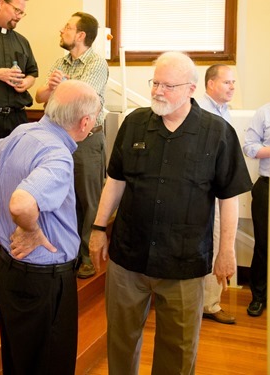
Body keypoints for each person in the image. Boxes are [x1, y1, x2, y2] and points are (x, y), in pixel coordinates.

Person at [89, 52, 252, 375]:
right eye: (155, 83)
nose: (158, 91)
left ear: (191, 88)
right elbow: (115, 181)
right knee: (120, 342)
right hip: (128, 258)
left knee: (177, 352)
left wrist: (226, 251)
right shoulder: (134, 124)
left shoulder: (217, 132)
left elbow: (228, 197)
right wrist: (97, 228)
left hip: (184, 263)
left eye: (168, 85)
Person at [0, 80, 100, 375]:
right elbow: (21, 204)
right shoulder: (57, 156)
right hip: (42, 282)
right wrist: (31, 229)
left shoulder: (25, 131)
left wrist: (8, 190)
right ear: (85, 123)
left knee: (18, 361)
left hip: (9, 270)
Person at [35, 11, 108, 279]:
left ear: (80, 35)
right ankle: (68, 251)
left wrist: (59, 86)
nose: (61, 30)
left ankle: (87, 256)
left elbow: (81, 98)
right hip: (58, 140)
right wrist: (50, 88)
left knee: (89, 200)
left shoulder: (97, 63)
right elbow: (40, 96)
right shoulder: (60, 61)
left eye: (67, 27)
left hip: (87, 140)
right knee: (64, 197)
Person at [0, 0, 38, 253]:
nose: (20, 16)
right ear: (1, 4)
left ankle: (15, 228)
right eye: (17, 10)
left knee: (18, 173)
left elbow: (33, 72)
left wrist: (26, 82)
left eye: (23, 12)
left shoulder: (22, 42)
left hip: (16, 118)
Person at [198, 64, 236, 324]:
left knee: (218, 240)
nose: (232, 87)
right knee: (210, 241)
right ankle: (207, 304)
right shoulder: (200, 111)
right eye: (227, 82)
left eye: (233, 83)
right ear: (211, 84)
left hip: (221, 187)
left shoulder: (224, 111)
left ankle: (209, 303)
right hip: (205, 190)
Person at [243, 103, 270, 317]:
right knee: (263, 243)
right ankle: (259, 297)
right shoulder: (264, 112)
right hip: (267, 186)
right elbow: (249, 147)